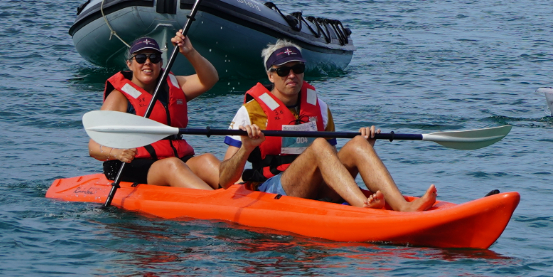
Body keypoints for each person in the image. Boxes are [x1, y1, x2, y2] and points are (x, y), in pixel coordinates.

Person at [217, 42, 437, 211]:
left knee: (358, 143)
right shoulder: (249, 112)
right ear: (270, 75)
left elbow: (332, 161)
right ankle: (363, 207)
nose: (292, 75)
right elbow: (225, 180)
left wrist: (366, 146)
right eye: (283, 70)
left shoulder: (319, 107)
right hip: (274, 188)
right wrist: (246, 148)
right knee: (320, 145)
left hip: (317, 183)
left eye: (298, 68)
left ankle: (403, 206)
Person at [89, 32, 224, 188]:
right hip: (132, 164)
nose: (147, 63)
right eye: (140, 58)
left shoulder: (174, 86)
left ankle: (242, 193)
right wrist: (117, 153)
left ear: (160, 63)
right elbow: (93, 146)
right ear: (129, 64)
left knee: (206, 160)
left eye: (154, 58)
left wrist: (190, 52)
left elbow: (210, 79)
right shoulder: (119, 97)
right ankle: (213, 200)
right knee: (172, 166)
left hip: (174, 159)